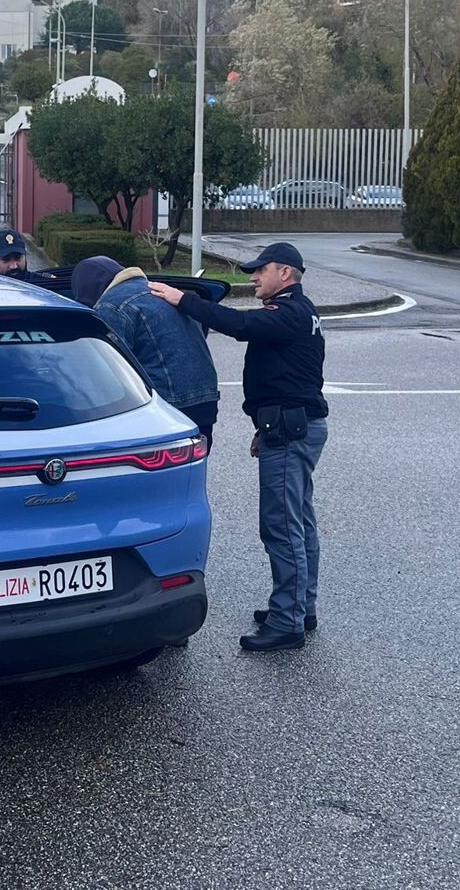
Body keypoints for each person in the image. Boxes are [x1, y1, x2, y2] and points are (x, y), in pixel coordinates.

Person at [149, 242, 327, 654]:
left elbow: (240, 326)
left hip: (289, 430)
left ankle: (288, 622)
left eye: (259, 271)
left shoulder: (291, 313)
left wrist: (185, 300)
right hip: (290, 426)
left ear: (285, 273)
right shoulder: (302, 312)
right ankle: (301, 607)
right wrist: (262, 429)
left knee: (282, 526)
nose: (253, 278)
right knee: (299, 520)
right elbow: (287, 378)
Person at [70, 256, 219, 445]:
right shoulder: (163, 291)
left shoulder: (112, 305)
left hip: (167, 410)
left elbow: (108, 369)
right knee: (192, 471)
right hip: (205, 401)